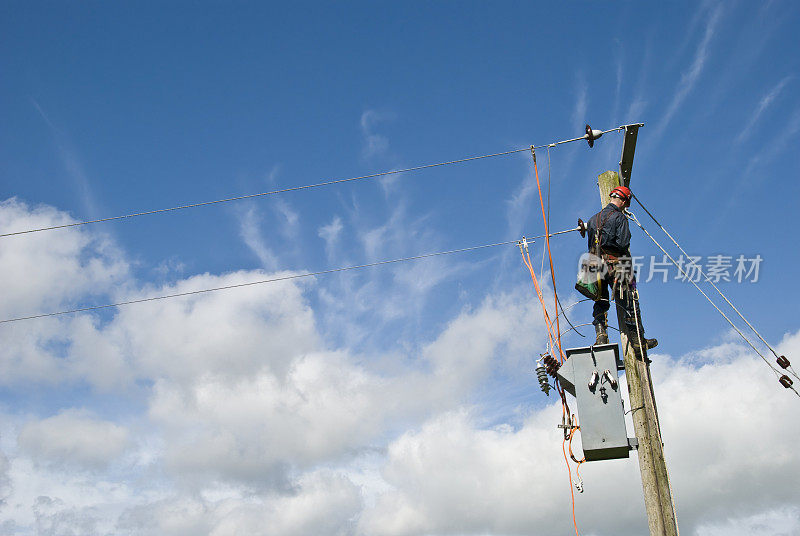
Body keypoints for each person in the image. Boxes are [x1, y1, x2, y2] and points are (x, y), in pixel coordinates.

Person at [585, 185, 657, 353]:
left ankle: (601, 337)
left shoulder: (592, 220)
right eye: (626, 203)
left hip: (594, 267)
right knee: (630, 301)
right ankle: (638, 343)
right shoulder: (619, 218)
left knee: (600, 301)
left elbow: (590, 245)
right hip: (616, 265)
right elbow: (623, 244)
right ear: (624, 200)